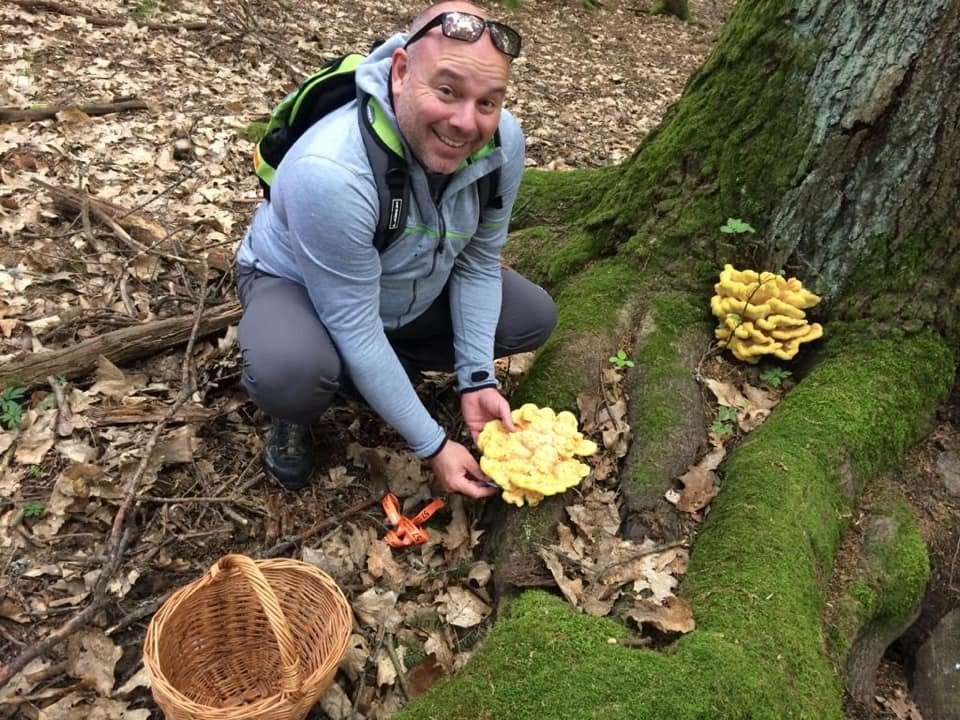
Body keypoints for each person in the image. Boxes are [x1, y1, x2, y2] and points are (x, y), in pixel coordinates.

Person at [234, 1, 556, 498]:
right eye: (447, 91)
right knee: (292, 373)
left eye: (488, 102)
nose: (466, 123)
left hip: (406, 283)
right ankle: (300, 408)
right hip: (299, 286)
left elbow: (477, 264)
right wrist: (432, 444)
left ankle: (373, 375)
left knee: (530, 316)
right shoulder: (333, 173)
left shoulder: (502, 144)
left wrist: (476, 379)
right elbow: (354, 321)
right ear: (402, 72)